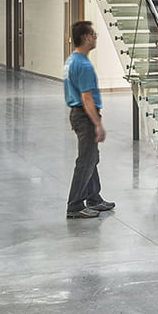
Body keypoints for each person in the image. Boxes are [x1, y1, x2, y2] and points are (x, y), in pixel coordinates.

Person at [64, 20, 113, 219]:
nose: (95, 38)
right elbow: (86, 97)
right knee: (86, 160)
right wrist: (97, 124)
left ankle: (94, 198)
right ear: (86, 37)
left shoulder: (71, 60)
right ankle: (75, 205)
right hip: (84, 116)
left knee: (92, 157)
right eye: (93, 34)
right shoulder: (83, 65)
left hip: (77, 114)